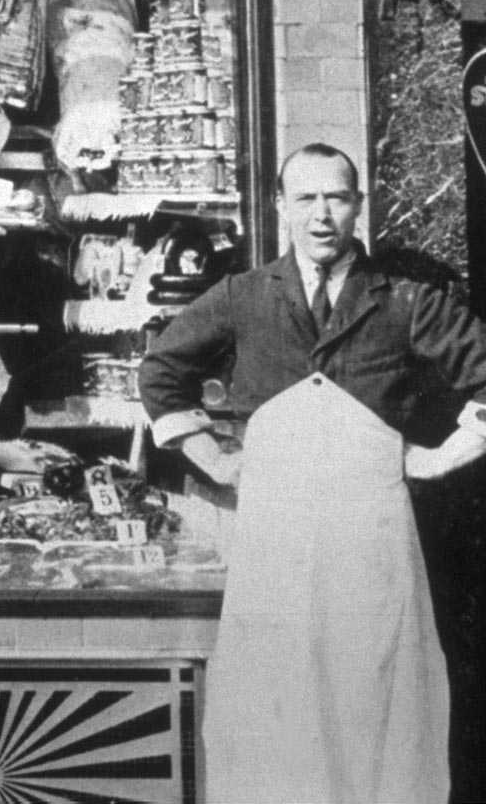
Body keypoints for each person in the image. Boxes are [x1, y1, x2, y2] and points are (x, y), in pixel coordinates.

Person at [138, 142, 486, 804]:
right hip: (275, 533)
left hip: (372, 538)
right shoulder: (243, 296)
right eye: (305, 199)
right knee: (275, 700)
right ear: (280, 208)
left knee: (374, 692)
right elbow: (161, 373)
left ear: (359, 206)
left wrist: (440, 458)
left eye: (336, 198)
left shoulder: (406, 301)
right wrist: (214, 458)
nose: (321, 215)